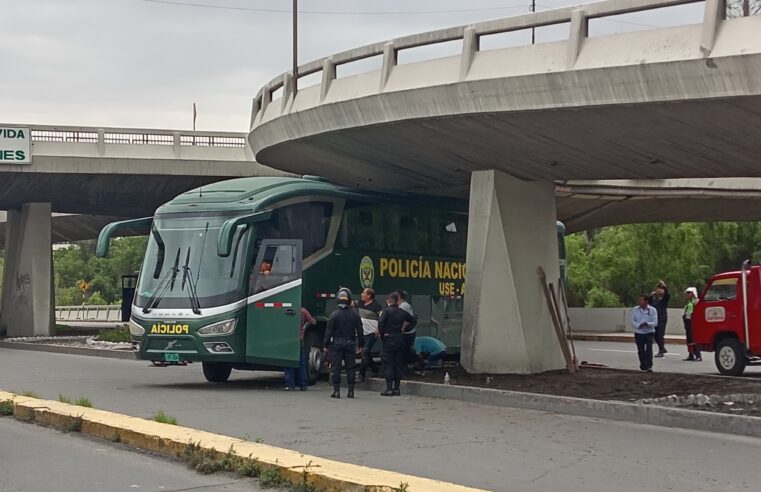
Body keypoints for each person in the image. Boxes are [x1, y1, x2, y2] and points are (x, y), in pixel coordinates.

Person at [323, 287, 363, 399]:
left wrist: (326, 345)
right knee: (351, 367)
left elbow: (328, 332)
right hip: (350, 343)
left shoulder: (334, 315)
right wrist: (360, 344)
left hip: (337, 344)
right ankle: (351, 392)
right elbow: (360, 331)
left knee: (336, 367)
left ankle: (336, 391)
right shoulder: (355, 315)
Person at [378, 292, 416, 396]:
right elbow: (413, 321)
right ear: (397, 301)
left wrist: (383, 335)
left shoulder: (386, 312)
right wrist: (404, 329)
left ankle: (389, 388)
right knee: (398, 364)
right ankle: (397, 389)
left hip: (389, 339)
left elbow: (380, 323)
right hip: (400, 339)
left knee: (388, 364)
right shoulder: (402, 312)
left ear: (388, 301)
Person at [284, 307, 316, 391]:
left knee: (288, 362)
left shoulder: (284, 310)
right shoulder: (303, 311)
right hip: (299, 339)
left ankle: (290, 385)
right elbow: (313, 322)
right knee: (301, 363)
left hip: (288, 339)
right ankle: (303, 385)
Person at [357, 288, 383, 383]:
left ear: (369, 296)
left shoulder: (377, 306)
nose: (361, 294)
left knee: (365, 352)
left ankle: (361, 375)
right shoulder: (360, 303)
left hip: (372, 333)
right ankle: (375, 369)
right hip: (362, 332)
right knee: (366, 353)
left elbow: (381, 318)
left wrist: (378, 329)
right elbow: (350, 303)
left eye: (364, 293)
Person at [631, 294, 658, 372]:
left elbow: (655, 322)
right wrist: (639, 325)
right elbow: (632, 321)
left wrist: (647, 324)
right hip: (639, 332)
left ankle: (649, 365)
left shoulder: (653, 310)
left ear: (646, 301)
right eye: (639, 300)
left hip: (649, 332)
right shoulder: (635, 310)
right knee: (641, 349)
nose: (640, 302)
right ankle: (643, 364)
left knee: (649, 348)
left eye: (641, 300)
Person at [650, 280, 671, 358]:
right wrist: (651, 295)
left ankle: (661, 350)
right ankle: (662, 348)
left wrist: (665, 287)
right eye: (658, 288)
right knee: (655, 335)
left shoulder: (664, 300)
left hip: (662, 319)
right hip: (655, 320)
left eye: (661, 289)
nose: (659, 290)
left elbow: (667, 295)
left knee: (660, 334)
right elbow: (649, 303)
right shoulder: (655, 300)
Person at [682, 287, 702, 362]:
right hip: (687, 322)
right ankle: (691, 354)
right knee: (689, 339)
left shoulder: (696, 302)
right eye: (687, 293)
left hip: (693, 322)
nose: (688, 294)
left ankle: (698, 355)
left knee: (694, 339)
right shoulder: (689, 302)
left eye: (689, 293)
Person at [397, 290, 416, 367]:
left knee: (404, 351)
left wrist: (402, 329)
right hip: (409, 332)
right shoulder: (404, 305)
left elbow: (405, 320)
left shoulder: (403, 306)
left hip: (407, 333)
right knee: (406, 351)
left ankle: (404, 368)